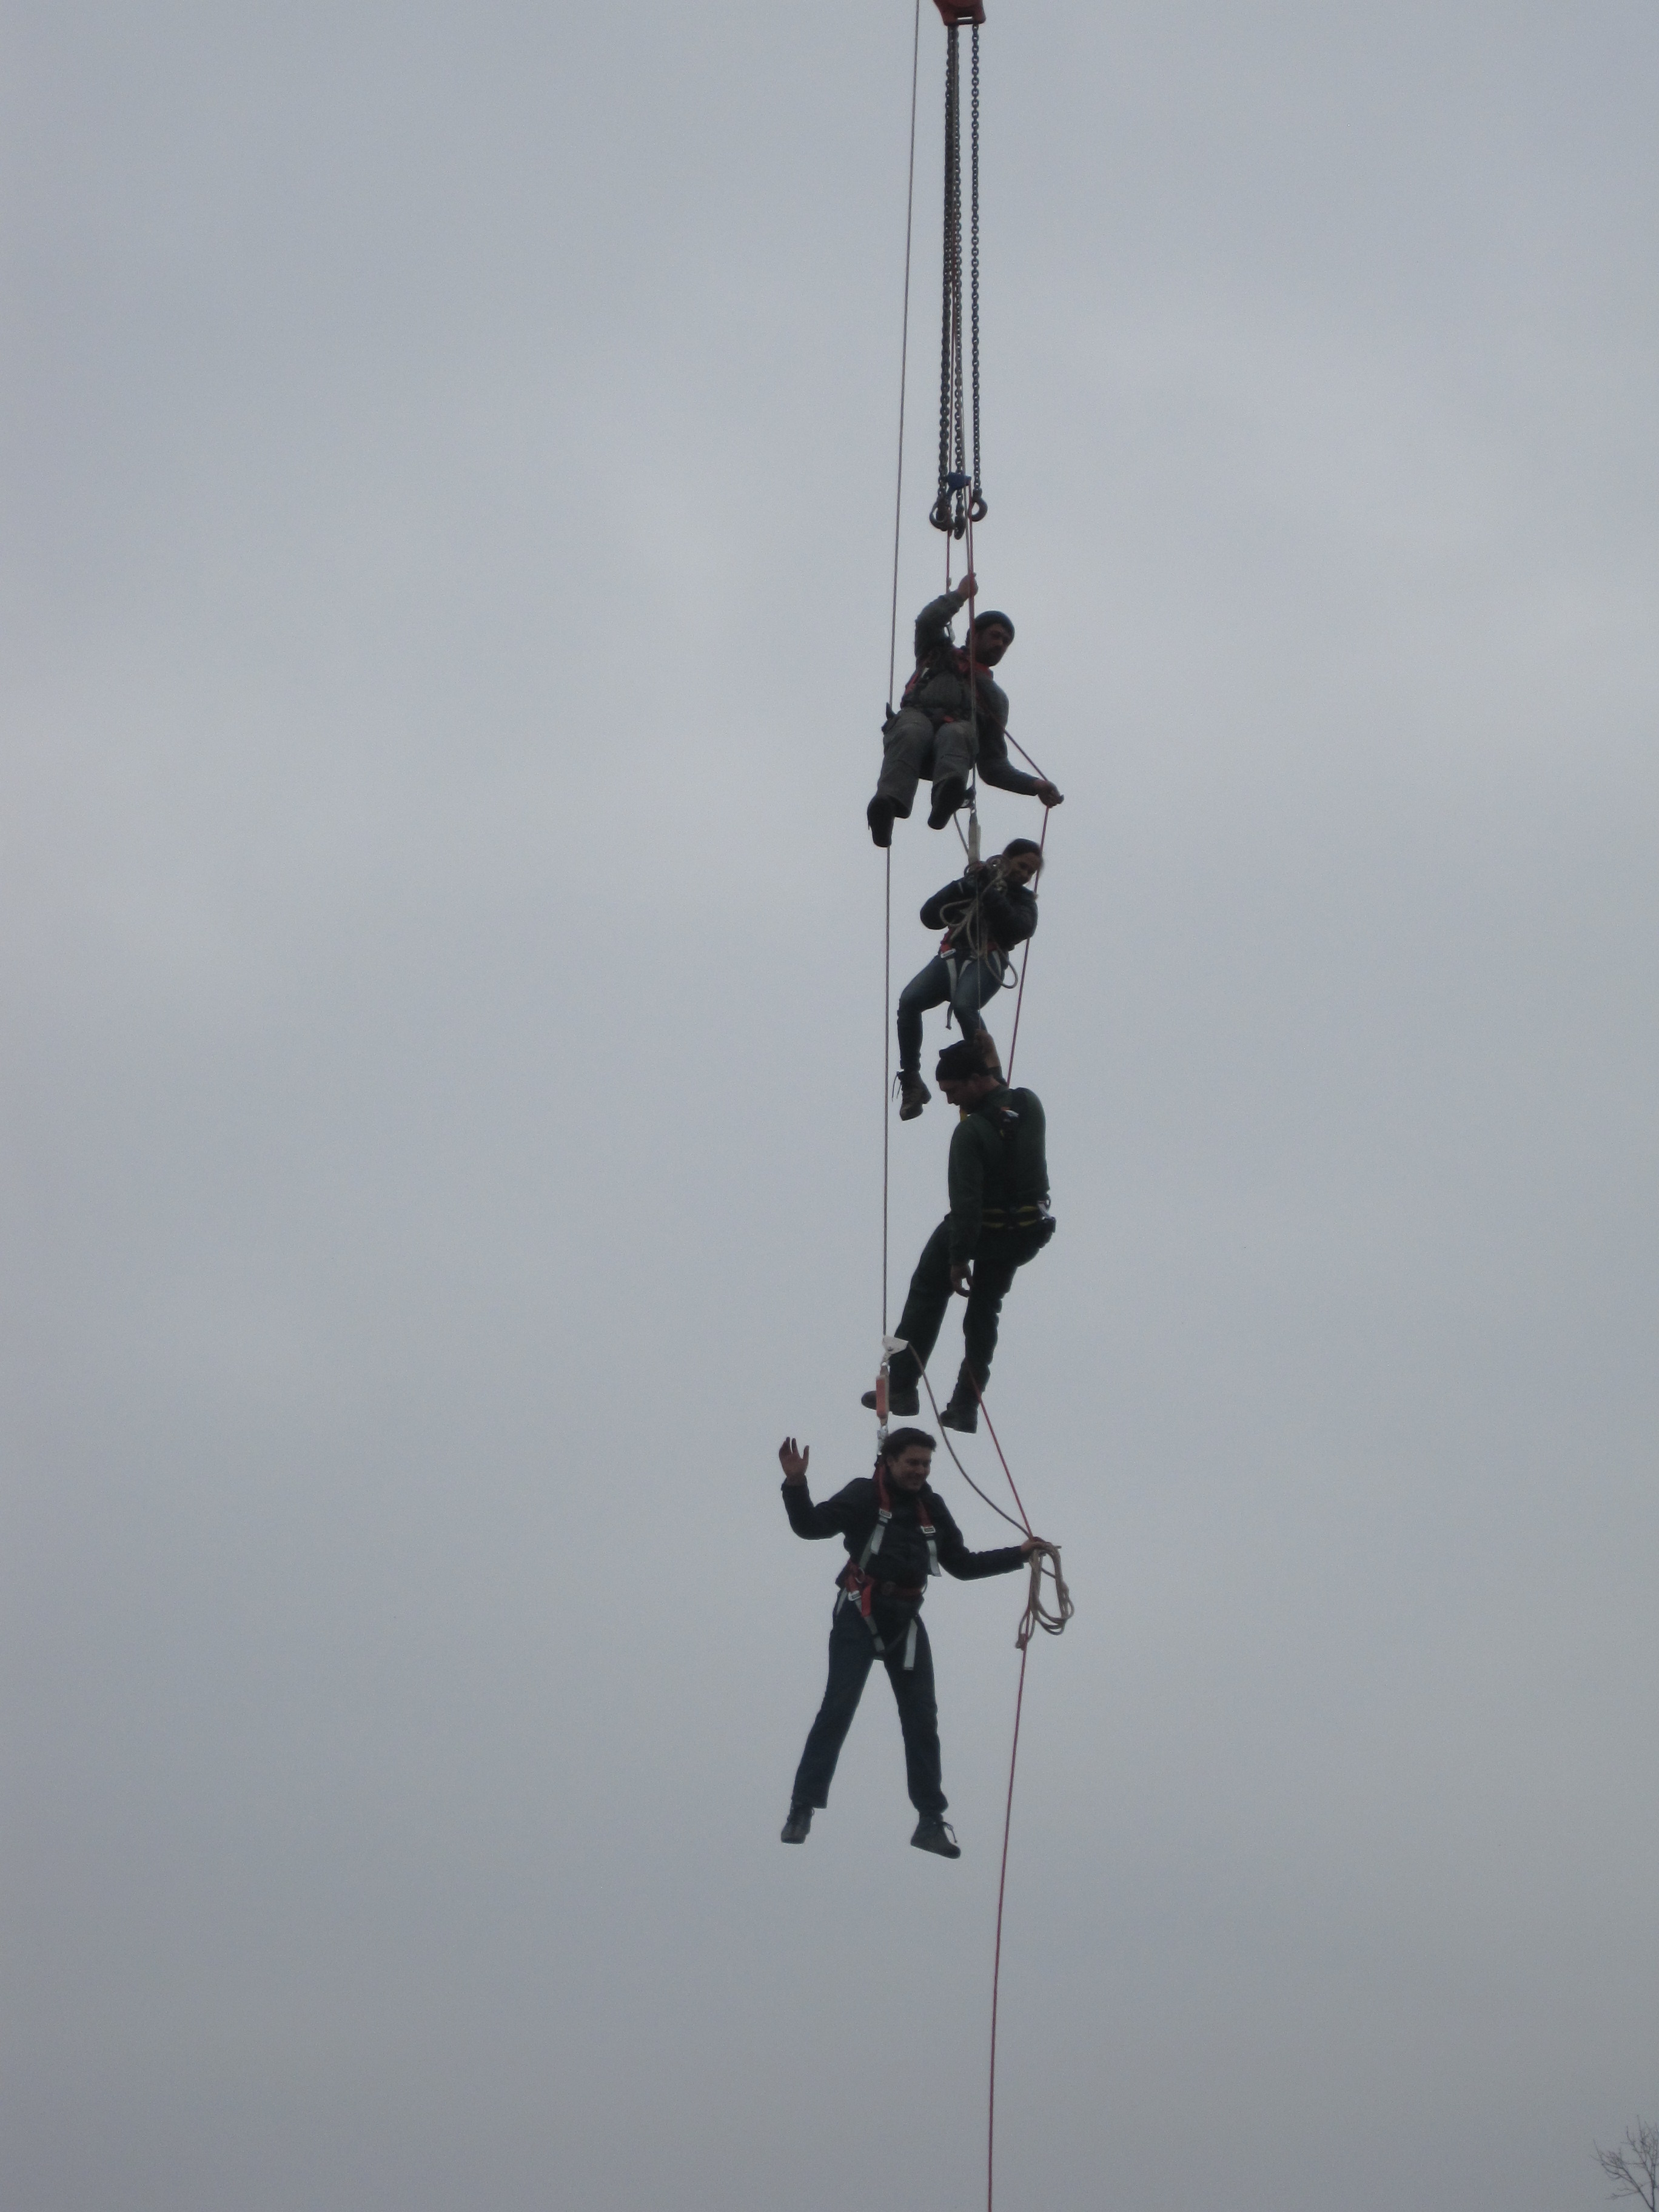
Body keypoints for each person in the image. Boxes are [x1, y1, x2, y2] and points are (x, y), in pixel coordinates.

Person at [777, 1427, 1045, 1854]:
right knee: (838, 1708)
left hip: (904, 1620)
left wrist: (1019, 1555)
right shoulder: (864, 1495)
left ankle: (930, 1821)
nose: (920, 1471)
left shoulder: (930, 1508)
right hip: (860, 1612)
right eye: (913, 1463)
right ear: (890, 1461)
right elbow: (811, 1527)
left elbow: (962, 1565)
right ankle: (802, 1807)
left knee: (921, 1718)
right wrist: (796, 1484)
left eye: (926, 1464)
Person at [862, 1038, 1053, 1432]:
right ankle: (966, 1405)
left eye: (952, 1091)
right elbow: (997, 1083)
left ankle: (903, 1385)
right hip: (1024, 1233)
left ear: (975, 1079)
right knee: (984, 1313)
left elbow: (966, 1204)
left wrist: (958, 1259)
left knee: (928, 1290)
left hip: (984, 1229)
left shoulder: (970, 1134)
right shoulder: (1028, 1104)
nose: (949, 1101)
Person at [867, 572, 1064, 847]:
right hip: (916, 720)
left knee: (958, 733)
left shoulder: (995, 698)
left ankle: (947, 797)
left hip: (954, 744)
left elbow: (993, 765)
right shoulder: (936, 650)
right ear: (974, 635)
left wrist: (1034, 786)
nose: (1000, 644)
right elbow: (927, 621)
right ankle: (887, 806)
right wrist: (960, 596)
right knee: (912, 730)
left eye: (1006, 642)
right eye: (996, 636)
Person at [896, 838, 1044, 1120]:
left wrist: (987, 889)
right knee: (910, 1001)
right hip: (952, 954)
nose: (1025, 875)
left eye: (1031, 872)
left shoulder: (1024, 902)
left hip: (987, 957)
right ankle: (912, 1079)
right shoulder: (973, 884)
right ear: (1007, 859)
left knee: (965, 1006)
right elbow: (930, 916)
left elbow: (1017, 928)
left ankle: (992, 1078)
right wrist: (963, 887)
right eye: (1022, 866)